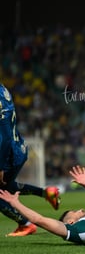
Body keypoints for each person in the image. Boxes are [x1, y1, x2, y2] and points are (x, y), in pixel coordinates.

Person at [0, 83, 61, 236]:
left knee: (2, 190)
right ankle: (46, 193)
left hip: (7, 153)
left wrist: (0, 166)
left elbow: (5, 137)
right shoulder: (2, 90)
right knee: (7, 187)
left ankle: (25, 224)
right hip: (17, 147)